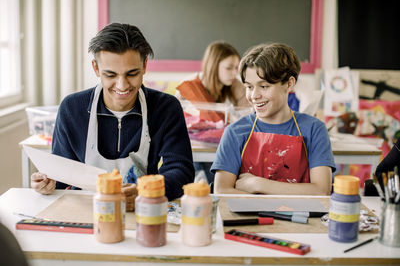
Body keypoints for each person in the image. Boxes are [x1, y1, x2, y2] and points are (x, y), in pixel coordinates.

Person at [31, 23, 195, 209]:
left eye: (132, 74)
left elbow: (181, 171)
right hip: (85, 211)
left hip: (143, 207)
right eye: (110, 75)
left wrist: (145, 191)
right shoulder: (72, 108)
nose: (122, 85)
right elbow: (61, 175)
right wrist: (48, 182)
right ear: (96, 68)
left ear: (144, 65)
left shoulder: (166, 108)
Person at [211, 43, 335, 195]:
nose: (254, 96)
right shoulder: (234, 132)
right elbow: (222, 190)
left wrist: (258, 184)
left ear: (289, 84)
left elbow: (321, 190)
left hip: (301, 218)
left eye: (264, 86)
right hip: (250, 219)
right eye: (249, 87)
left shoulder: (314, 129)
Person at [176, 41, 250, 184]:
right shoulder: (189, 86)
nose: (235, 73)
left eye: (236, 68)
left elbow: (247, 117)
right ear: (214, 66)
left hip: (222, 150)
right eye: (229, 68)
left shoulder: (235, 85)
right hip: (194, 150)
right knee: (200, 178)